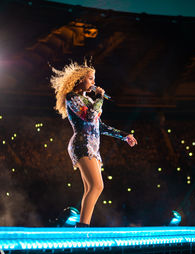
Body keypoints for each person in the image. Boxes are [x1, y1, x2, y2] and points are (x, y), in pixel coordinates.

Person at [50, 60, 138, 227]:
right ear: (80, 80)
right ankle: (83, 227)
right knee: (97, 186)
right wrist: (99, 97)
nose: (93, 82)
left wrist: (124, 135)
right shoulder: (72, 97)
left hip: (93, 146)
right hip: (82, 144)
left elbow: (99, 125)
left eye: (93, 79)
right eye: (90, 78)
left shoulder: (88, 100)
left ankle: (83, 225)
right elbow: (89, 117)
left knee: (91, 188)